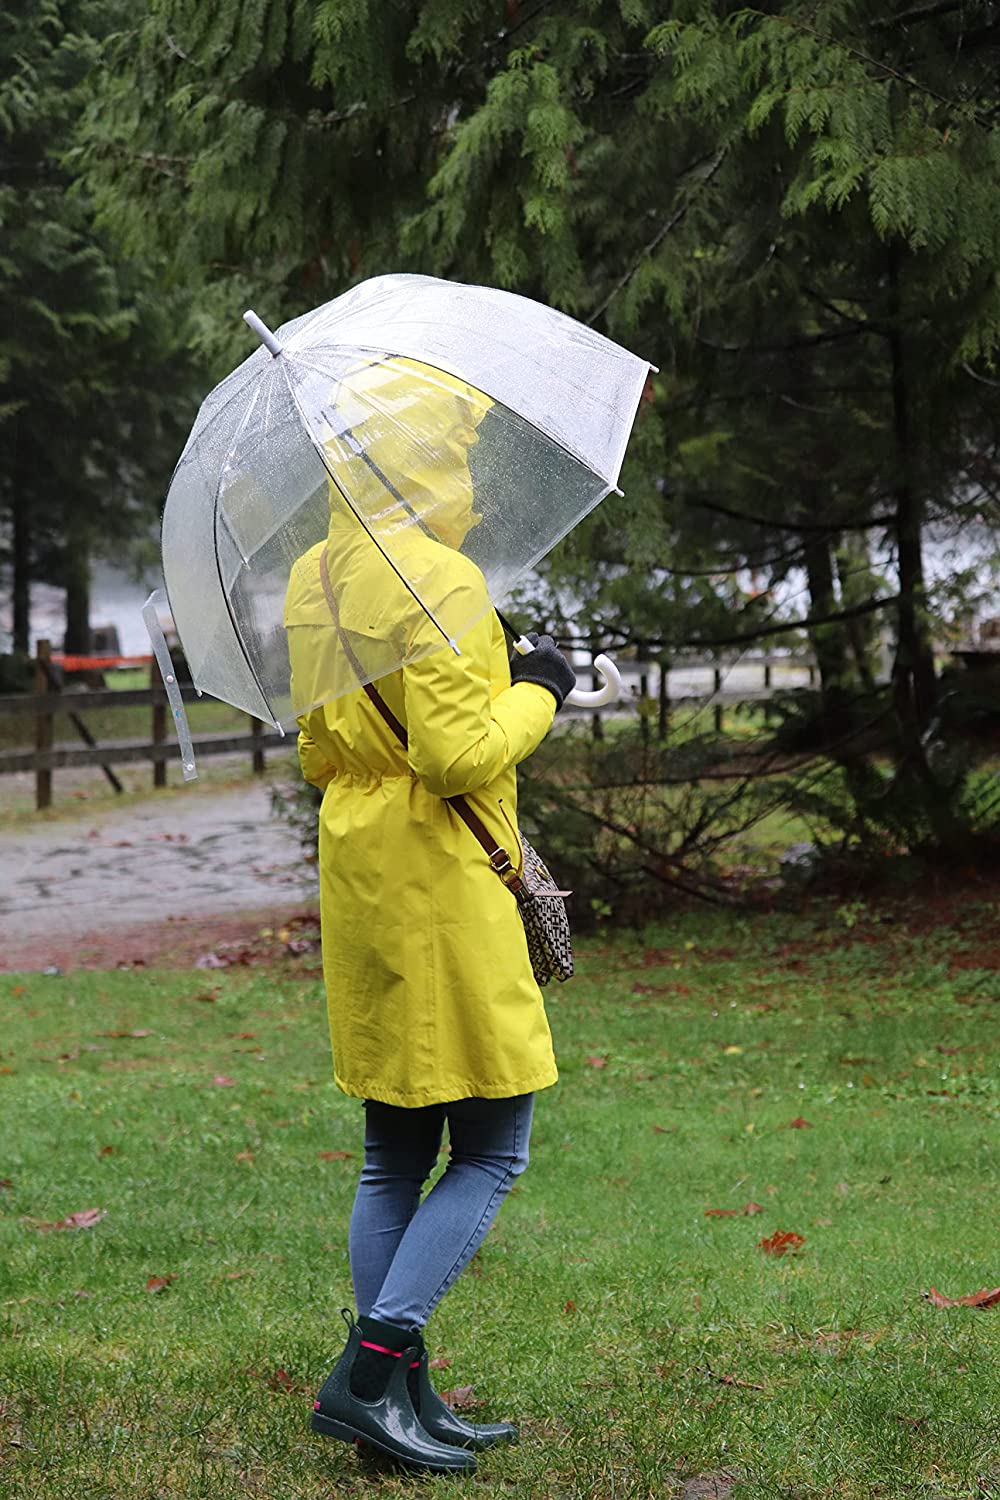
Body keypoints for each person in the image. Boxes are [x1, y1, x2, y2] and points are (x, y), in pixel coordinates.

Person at [283, 359, 577, 1475]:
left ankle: (402, 1401)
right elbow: (458, 755)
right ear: (420, 462)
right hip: (446, 876)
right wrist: (538, 682)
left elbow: (316, 747)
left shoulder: (316, 572)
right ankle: (371, 1367)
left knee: (393, 1148)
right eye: (455, 458)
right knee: (495, 1143)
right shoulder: (440, 578)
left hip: (361, 864)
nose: (474, 487)